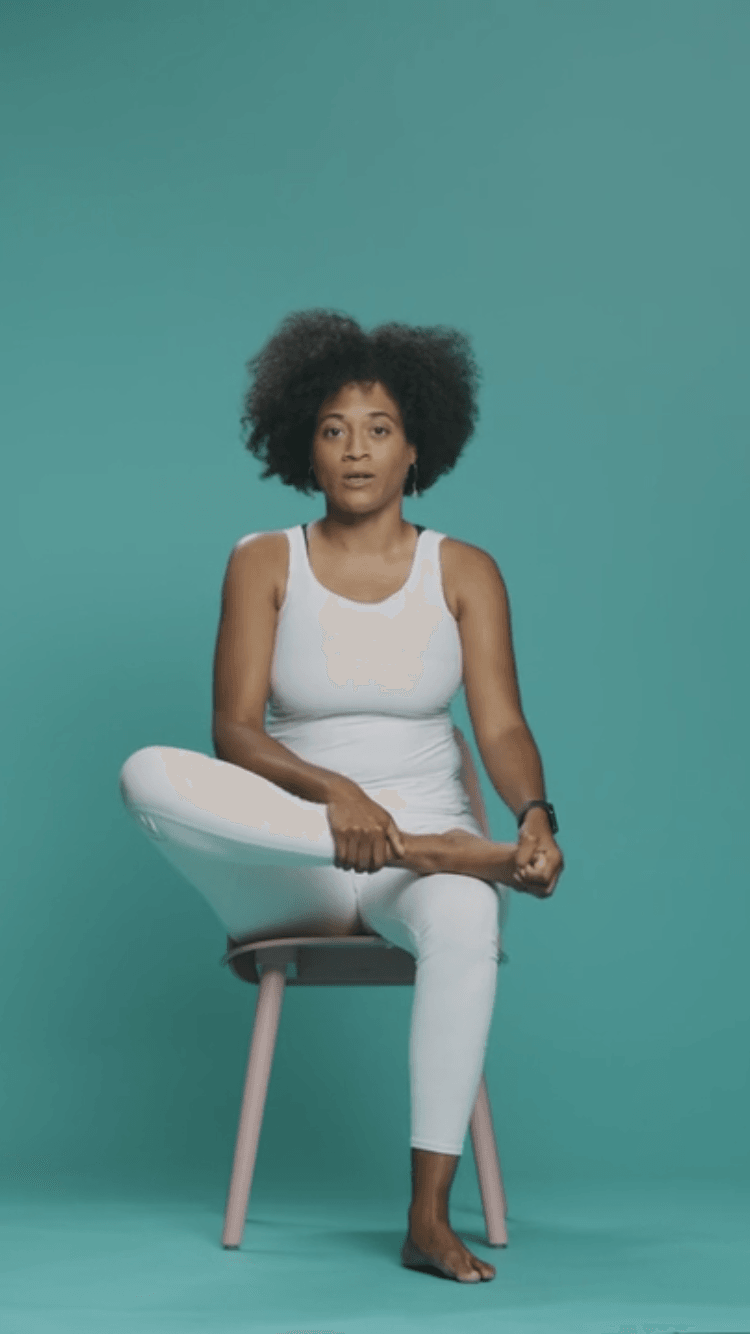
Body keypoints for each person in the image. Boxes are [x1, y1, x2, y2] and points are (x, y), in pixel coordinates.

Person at [119, 309, 564, 1284]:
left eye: (379, 428)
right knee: (145, 772)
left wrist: (535, 813)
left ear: (416, 448)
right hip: (295, 855)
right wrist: (340, 798)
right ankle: (441, 850)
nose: (356, 448)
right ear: (304, 448)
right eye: (333, 429)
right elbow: (235, 731)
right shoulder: (263, 560)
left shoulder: (464, 570)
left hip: (420, 857)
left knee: (465, 911)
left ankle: (428, 1217)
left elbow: (499, 727)